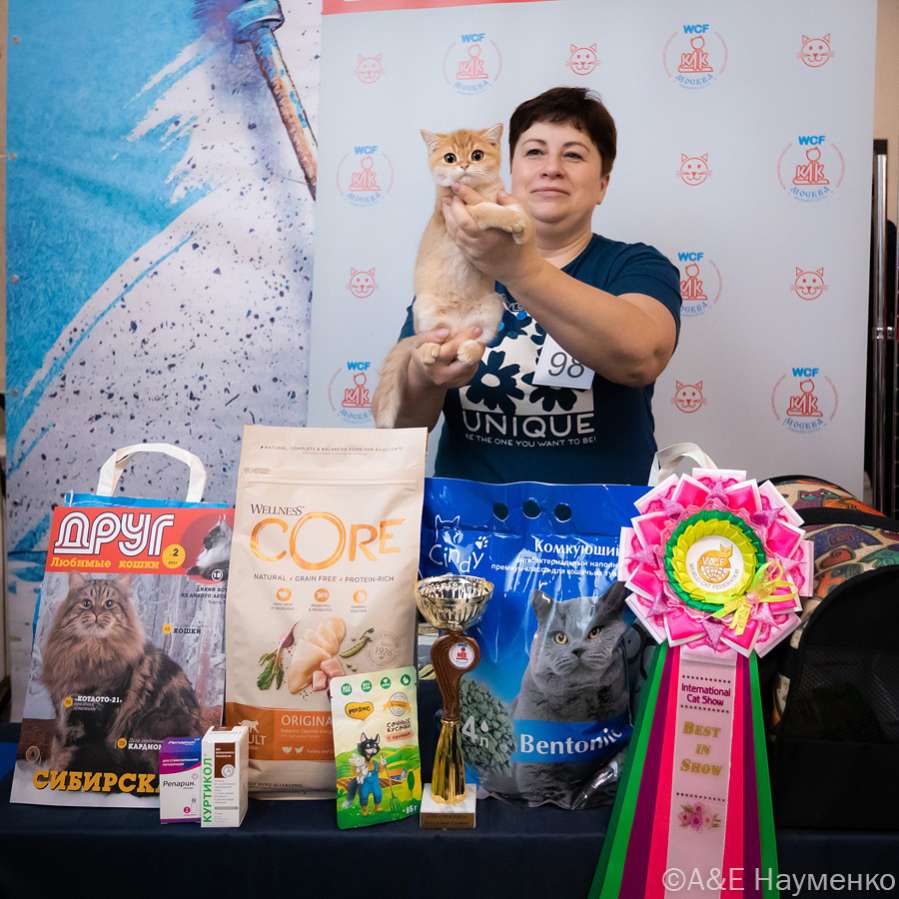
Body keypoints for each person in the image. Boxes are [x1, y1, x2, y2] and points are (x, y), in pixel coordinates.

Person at [387, 87, 681, 485]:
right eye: (535, 152)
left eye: (573, 155)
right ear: (509, 171)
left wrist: (518, 269)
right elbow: (402, 429)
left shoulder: (634, 265)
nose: (551, 168)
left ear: (602, 185)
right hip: (469, 519)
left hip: (603, 520)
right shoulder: (453, 263)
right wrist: (425, 377)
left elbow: (642, 357)